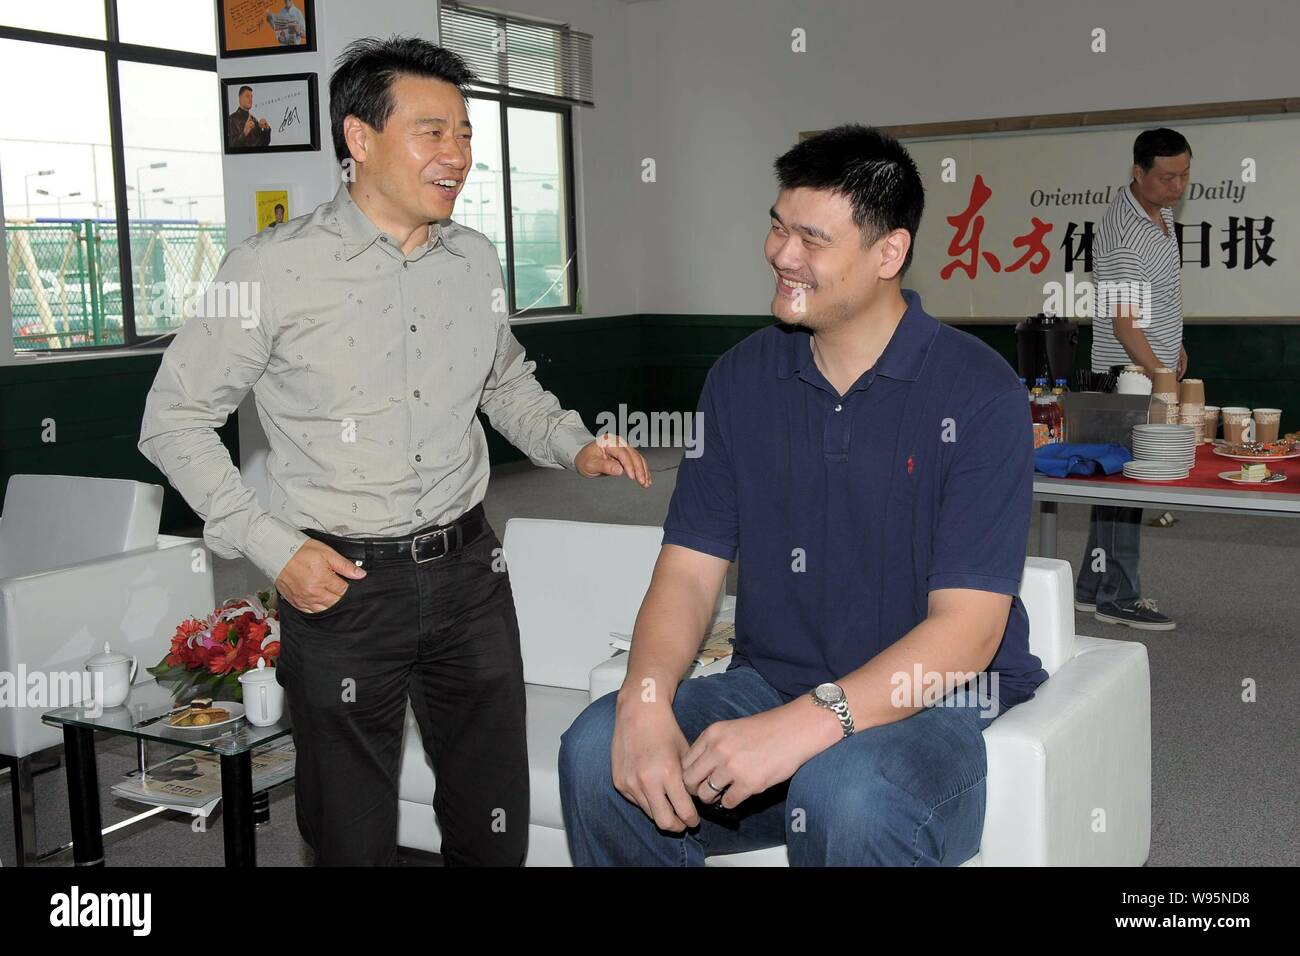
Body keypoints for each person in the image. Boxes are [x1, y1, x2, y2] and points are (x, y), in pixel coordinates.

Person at [140, 36, 650, 866]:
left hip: (469, 574)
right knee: (350, 832)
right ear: (358, 138)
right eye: (433, 132)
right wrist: (274, 548)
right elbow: (172, 420)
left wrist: (573, 444)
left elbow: (505, 382)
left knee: (492, 815)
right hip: (337, 588)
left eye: (464, 133)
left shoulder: (474, 258)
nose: (459, 156)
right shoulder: (269, 271)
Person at [558, 125, 1047, 866]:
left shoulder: (979, 392)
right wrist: (644, 697)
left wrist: (812, 722)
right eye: (778, 227)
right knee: (596, 752)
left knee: (845, 792)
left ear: (889, 253)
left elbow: (969, 631)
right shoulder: (739, 379)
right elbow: (689, 571)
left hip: (935, 702)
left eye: (813, 239)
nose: (784, 255)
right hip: (771, 684)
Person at [1075, 128, 1191, 632]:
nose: (1178, 186)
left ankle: (1089, 588)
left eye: (1185, 174)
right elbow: (1125, 325)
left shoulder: (1160, 215)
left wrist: (1175, 344)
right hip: (1129, 376)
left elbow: (1157, 299)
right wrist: (1160, 371)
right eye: (1167, 176)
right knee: (1128, 483)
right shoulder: (1125, 232)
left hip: (1148, 367)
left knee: (1113, 480)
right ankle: (1120, 596)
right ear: (1137, 173)